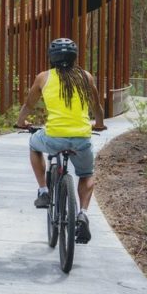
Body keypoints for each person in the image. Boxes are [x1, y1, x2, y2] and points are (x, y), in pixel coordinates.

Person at [15, 38, 106, 244]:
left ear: (51, 57)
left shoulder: (43, 78)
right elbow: (97, 107)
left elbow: (29, 105)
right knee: (86, 174)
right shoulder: (86, 77)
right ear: (74, 57)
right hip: (81, 138)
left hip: (54, 137)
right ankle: (82, 213)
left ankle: (44, 190)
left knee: (33, 144)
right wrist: (98, 124)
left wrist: (21, 122)